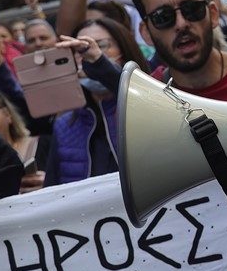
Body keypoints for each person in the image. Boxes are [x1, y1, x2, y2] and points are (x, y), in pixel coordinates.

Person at [43, 18, 148, 187]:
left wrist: (101, 64)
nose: (88, 56)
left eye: (103, 45)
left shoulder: (149, 107)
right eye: (80, 51)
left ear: (124, 50)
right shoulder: (64, 126)